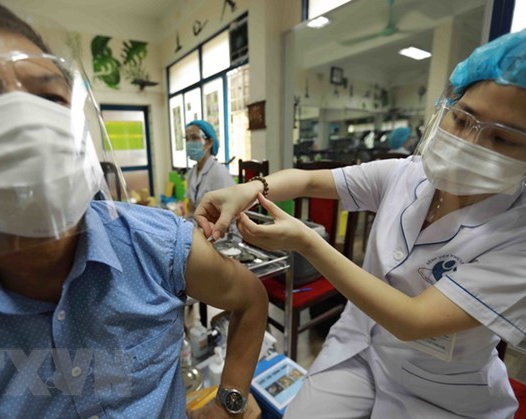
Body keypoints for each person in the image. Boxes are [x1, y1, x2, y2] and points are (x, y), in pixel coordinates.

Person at [0, 1, 268, 418]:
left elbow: (249, 298)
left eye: (48, 96)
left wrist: (230, 404)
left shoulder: (158, 247)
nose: (24, 125)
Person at [196, 29, 526, 418]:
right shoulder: (408, 174)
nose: (470, 141)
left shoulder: (517, 234)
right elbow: (308, 179)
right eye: (461, 118)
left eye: (502, 139)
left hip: (443, 392)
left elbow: (413, 320)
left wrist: (307, 242)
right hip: (359, 347)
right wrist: (251, 189)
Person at [185, 120, 235, 213]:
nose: (189, 143)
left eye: (194, 138)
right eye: (187, 139)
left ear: (209, 143)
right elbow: (191, 207)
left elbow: (227, 212)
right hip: (198, 224)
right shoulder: (191, 173)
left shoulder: (220, 173)